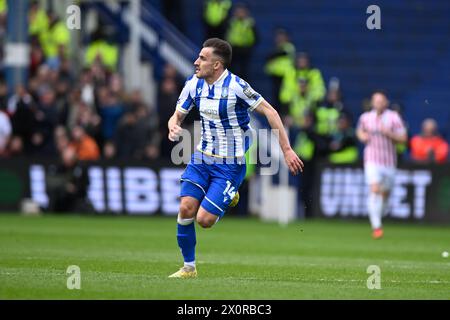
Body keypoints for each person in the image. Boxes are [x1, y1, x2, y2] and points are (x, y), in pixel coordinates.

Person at [167, 38, 304, 278]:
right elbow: (176, 116)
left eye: (202, 58)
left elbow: (270, 112)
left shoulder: (237, 87)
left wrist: (287, 149)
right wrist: (173, 126)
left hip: (230, 165)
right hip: (201, 158)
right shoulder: (193, 84)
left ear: (217, 65)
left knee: (204, 220)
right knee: (186, 207)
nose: (196, 62)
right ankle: (189, 267)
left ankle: (231, 194)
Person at [356, 91, 407, 239]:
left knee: (385, 194)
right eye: (376, 101)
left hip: (389, 161)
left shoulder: (394, 117)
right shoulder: (366, 118)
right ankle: (376, 226)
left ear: (386, 103)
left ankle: (378, 215)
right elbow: (360, 131)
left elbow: (403, 138)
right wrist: (362, 136)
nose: (378, 104)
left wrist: (389, 134)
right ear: (372, 103)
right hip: (372, 159)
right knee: (374, 188)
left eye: (381, 101)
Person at [225, 3, 257, 80]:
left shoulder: (250, 23)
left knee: (243, 71)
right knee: (231, 70)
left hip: (244, 50)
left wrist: (249, 47)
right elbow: (226, 35)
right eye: (238, 12)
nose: (240, 14)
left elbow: (255, 37)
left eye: (241, 12)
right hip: (233, 49)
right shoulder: (231, 22)